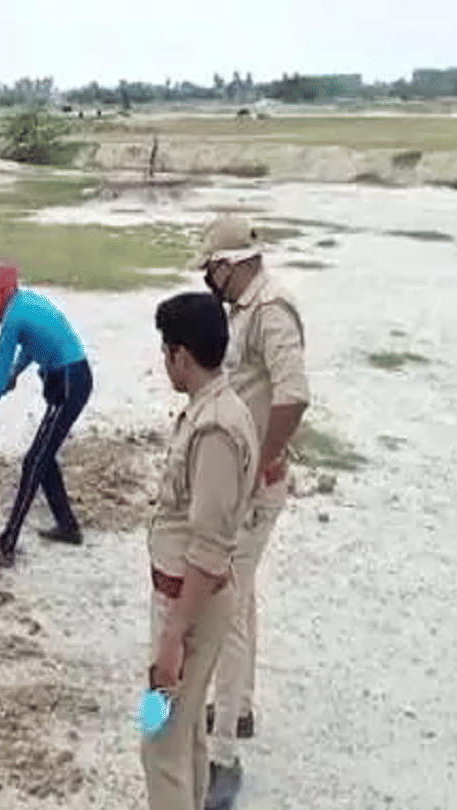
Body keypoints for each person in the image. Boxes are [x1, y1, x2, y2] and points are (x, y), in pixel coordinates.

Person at [193, 216, 309, 810]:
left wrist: (267, 459)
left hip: (253, 489)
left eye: (211, 269)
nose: (209, 280)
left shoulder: (271, 311)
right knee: (243, 600)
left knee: (227, 612)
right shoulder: (245, 310)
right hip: (240, 481)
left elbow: (294, 393)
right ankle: (237, 710)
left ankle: (222, 759)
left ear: (231, 263)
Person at [142, 292, 258, 810]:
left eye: (166, 351)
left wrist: (172, 638)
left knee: (159, 740)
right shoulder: (216, 409)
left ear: (181, 355)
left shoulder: (215, 429)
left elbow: (209, 546)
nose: (164, 362)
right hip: (186, 604)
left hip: (186, 610)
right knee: (184, 733)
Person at [0, 260, 93, 567]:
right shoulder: (26, 302)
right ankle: (68, 527)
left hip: (70, 381)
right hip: (70, 377)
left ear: (3, 292)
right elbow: (34, 346)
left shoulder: (13, 320)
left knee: (34, 461)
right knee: (43, 457)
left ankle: (7, 544)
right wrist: (16, 372)